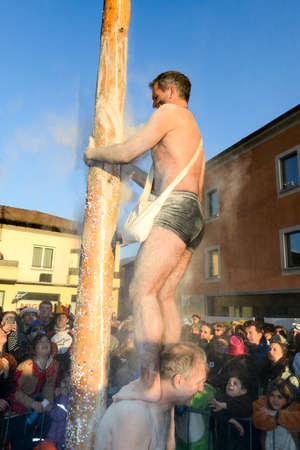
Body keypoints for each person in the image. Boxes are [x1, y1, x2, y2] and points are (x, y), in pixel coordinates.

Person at [85, 71, 205, 401]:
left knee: (142, 290)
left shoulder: (168, 113)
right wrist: (129, 173)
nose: (152, 101)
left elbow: (126, 151)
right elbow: (161, 182)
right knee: (164, 295)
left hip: (177, 209)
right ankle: (172, 375)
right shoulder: (191, 128)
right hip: (193, 213)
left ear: (170, 90)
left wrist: (93, 154)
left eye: (155, 94)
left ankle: (150, 379)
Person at [94, 342, 207, 450]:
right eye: (199, 382)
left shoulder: (166, 406)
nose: (202, 389)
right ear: (178, 381)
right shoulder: (134, 415)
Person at [209, 371, 253, 450]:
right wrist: (232, 421)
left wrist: (223, 405)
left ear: (243, 391)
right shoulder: (220, 397)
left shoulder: (246, 401)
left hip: (241, 442)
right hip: (223, 442)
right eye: (228, 383)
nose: (230, 384)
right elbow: (214, 408)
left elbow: (243, 408)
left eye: (235, 383)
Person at [253, 377, 300, 450]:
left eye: (279, 397)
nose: (275, 400)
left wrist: (278, 415)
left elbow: (297, 422)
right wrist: (283, 419)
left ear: (287, 398)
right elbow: (259, 421)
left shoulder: (294, 407)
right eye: (272, 396)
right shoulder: (263, 403)